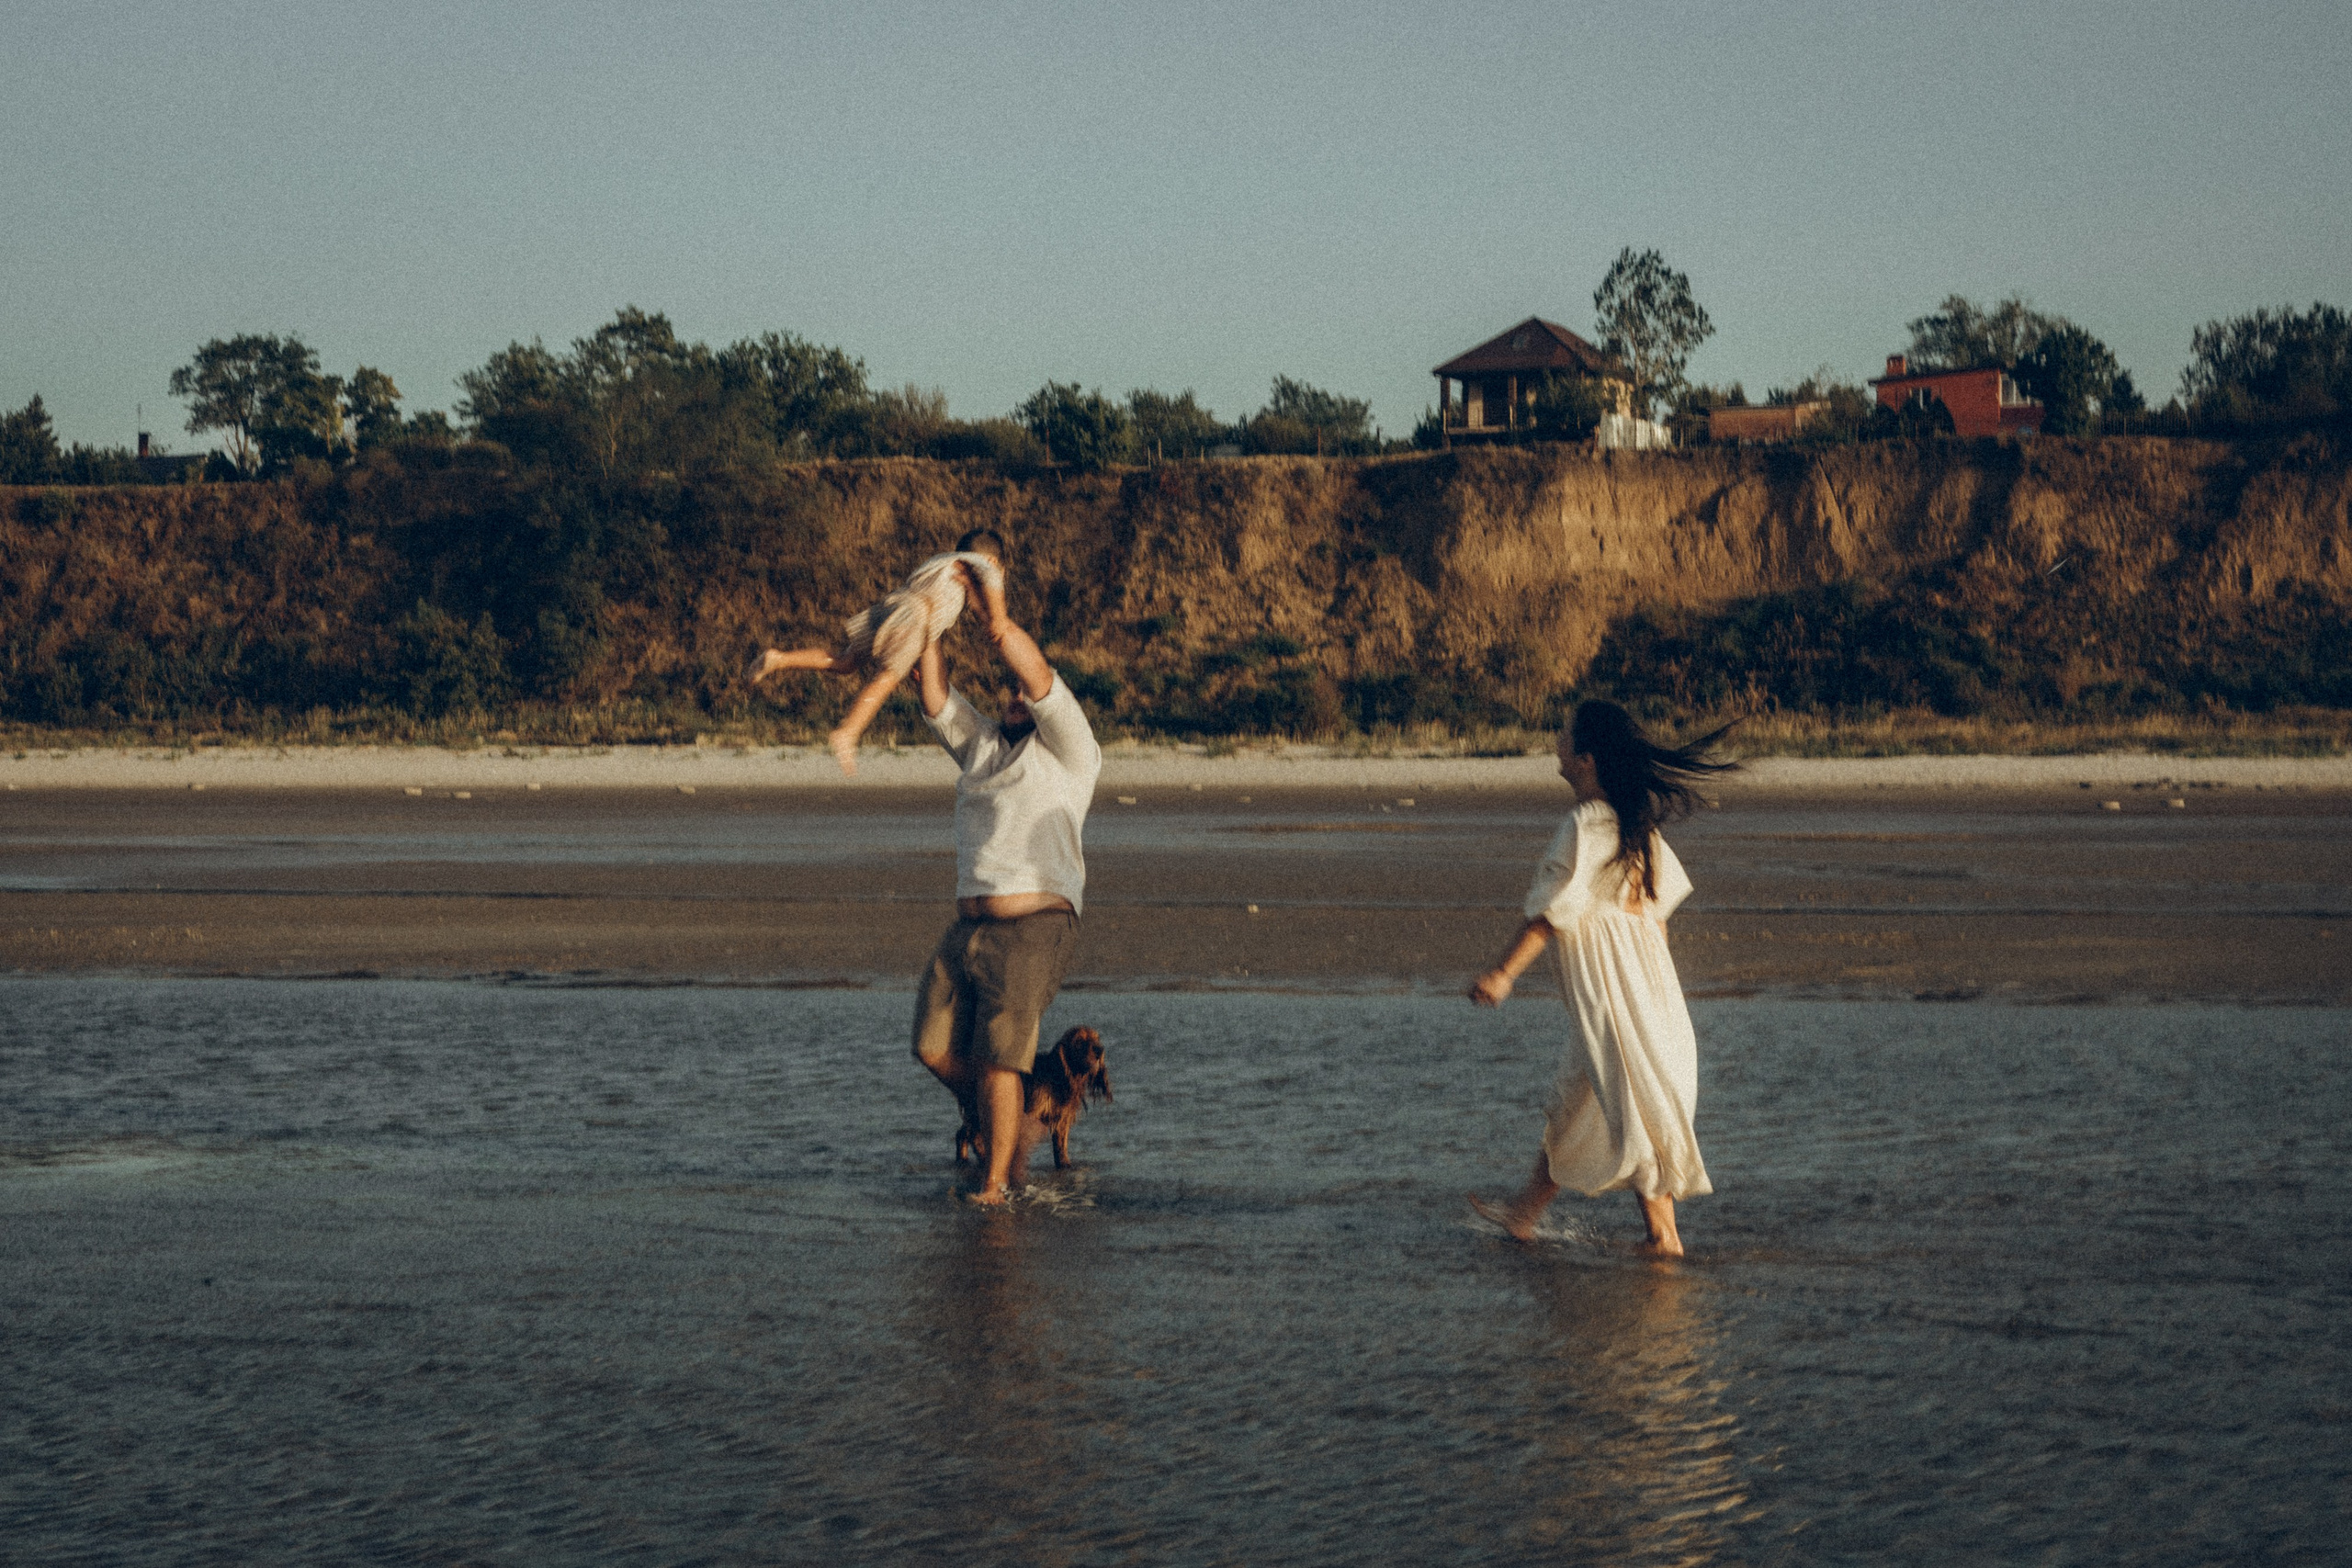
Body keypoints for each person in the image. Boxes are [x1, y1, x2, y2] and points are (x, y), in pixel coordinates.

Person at [1466, 701, 1734, 1257]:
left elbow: (1550, 913)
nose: (1555, 742)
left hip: (1619, 996)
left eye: (1562, 735)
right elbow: (1655, 921)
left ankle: (1664, 1239)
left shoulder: (1586, 825)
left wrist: (1501, 973)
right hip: (1644, 990)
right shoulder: (1635, 825)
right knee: (1574, 1101)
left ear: (1584, 758)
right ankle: (1523, 1215)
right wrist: (1658, 998)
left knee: (1636, 1106)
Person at [909, 551, 1102, 1206]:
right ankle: (1011, 1118)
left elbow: (1034, 668)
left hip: (1036, 925)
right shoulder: (985, 745)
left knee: (999, 1060)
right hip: (969, 927)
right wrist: (929, 622)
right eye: (1010, 691)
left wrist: (993, 614)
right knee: (931, 1047)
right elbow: (935, 695)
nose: (1015, 695)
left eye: (1025, 692)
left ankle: (996, 1184)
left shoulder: (1073, 750)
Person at [746, 530, 1006, 776]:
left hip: (893, 604)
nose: (996, 579)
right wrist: (999, 619)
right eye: (999, 570)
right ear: (991, 560)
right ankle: (849, 731)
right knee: (886, 677)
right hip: (915, 615)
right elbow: (991, 593)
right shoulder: (981, 565)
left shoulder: (943, 563)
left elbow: (972, 603)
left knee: (845, 661)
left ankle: (779, 659)